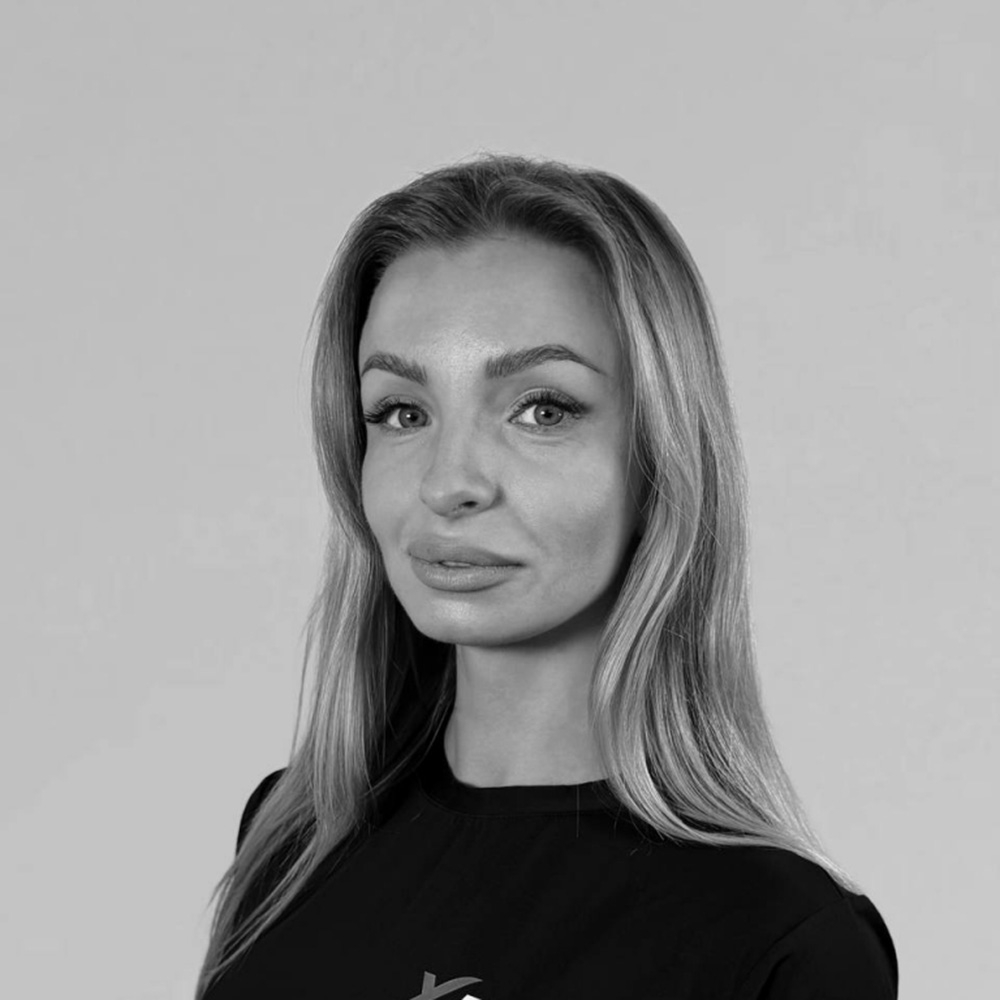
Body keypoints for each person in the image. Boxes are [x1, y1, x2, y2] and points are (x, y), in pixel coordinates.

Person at [194, 153, 898, 999]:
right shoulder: (294, 840)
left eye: (542, 410)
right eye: (402, 412)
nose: (450, 483)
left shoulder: (777, 939)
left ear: (660, 454)